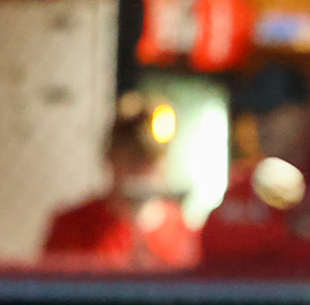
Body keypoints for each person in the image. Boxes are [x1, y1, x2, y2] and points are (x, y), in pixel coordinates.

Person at [198, 62, 310, 275]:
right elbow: (212, 241)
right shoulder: (246, 185)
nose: (263, 124)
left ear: (306, 113)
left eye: (276, 111)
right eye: (258, 113)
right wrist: (289, 235)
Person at [42, 101, 198, 270]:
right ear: (110, 158)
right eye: (133, 158)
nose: (144, 170)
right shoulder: (73, 225)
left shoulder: (180, 231)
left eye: (152, 160)